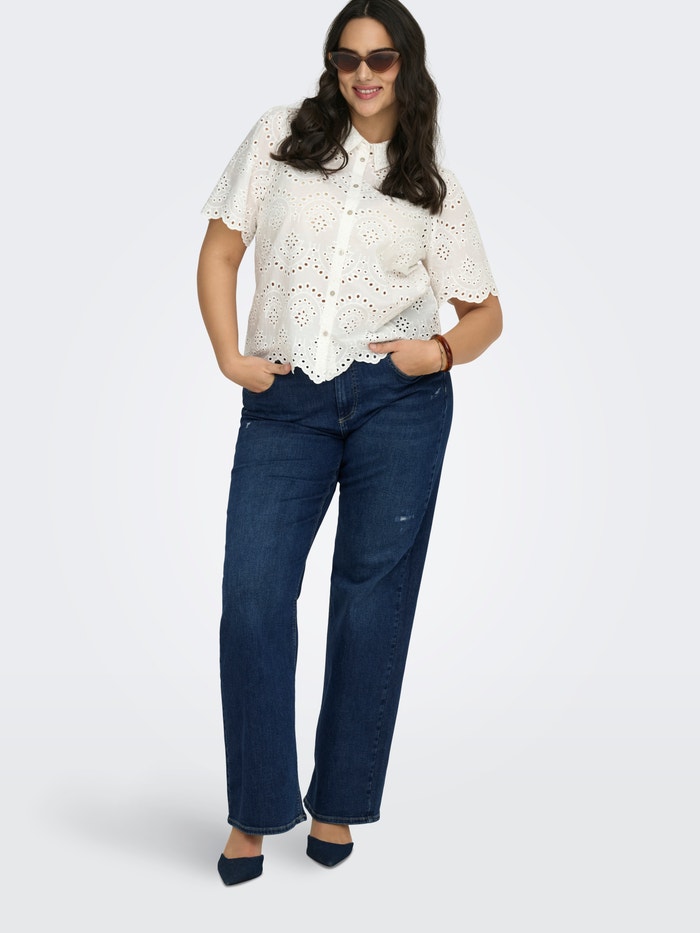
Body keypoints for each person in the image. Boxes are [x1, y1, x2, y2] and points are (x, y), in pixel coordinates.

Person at [197, 0, 502, 886]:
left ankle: (337, 802)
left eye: (382, 58)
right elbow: (220, 253)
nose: (364, 74)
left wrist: (438, 351)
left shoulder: (430, 183)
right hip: (286, 398)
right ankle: (255, 810)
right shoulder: (281, 138)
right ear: (332, 65)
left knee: (372, 606)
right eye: (347, 58)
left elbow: (486, 313)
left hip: (397, 404)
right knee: (253, 597)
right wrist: (229, 356)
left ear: (408, 64)